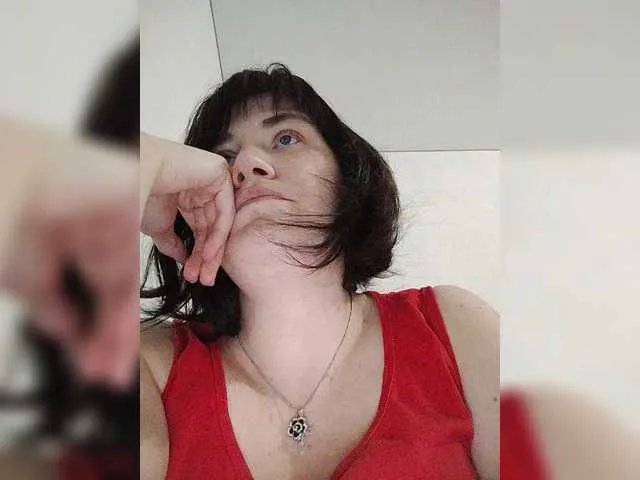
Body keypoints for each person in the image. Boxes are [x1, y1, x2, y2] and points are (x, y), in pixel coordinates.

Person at [140, 64, 499, 479]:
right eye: (224, 158)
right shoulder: (150, 364)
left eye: (285, 138)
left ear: (347, 178)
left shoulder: (452, 327)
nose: (247, 164)